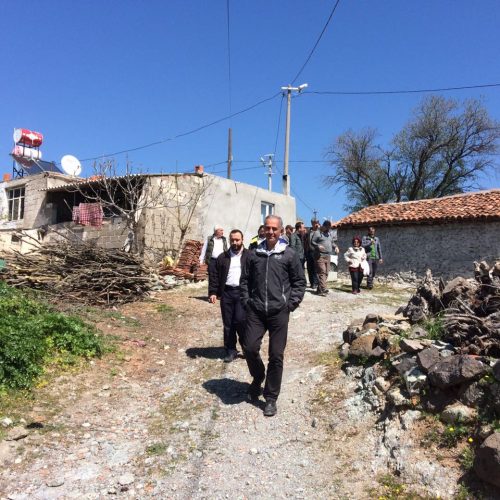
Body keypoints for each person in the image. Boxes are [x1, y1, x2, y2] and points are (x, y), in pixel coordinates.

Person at [240, 214, 306, 417]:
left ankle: (270, 397)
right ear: (263, 229)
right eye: (267, 228)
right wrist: (247, 302)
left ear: (281, 231)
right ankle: (258, 375)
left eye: (274, 229)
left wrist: (291, 304)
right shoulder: (253, 254)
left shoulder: (289, 254)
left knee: (276, 355)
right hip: (256, 310)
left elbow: (299, 282)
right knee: (249, 347)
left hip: (279, 312)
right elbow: (245, 281)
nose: (270, 232)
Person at [208, 229, 249, 363]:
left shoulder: (250, 256)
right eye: (232, 240)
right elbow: (214, 275)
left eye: (237, 240)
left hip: (243, 294)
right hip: (227, 293)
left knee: (241, 321)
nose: (235, 242)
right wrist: (213, 292)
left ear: (242, 240)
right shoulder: (223, 257)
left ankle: (247, 348)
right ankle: (231, 350)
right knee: (228, 323)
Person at [311, 220, 339, 296]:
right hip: (319, 255)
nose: (328, 229)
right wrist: (318, 246)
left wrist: (336, 247)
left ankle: (319, 290)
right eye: (327, 228)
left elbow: (332, 242)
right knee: (322, 272)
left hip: (328, 256)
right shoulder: (317, 233)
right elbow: (312, 242)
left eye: (329, 228)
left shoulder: (329, 234)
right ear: (323, 226)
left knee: (326, 273)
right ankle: (323, 288)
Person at [304, 219, 320, 288]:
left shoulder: (320, 232)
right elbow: (305, 242)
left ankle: (316, 283)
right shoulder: (308, 232)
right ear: (312, 223)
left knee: (315, 268)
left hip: (317, 252)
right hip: (309, 252)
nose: (316, 224)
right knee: (309, 268)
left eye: (317, 223)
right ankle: (312, 283)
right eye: (314, 223)